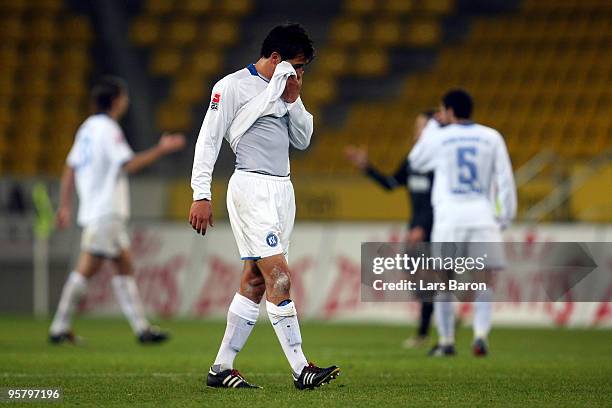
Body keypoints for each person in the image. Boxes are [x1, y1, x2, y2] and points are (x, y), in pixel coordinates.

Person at [189, 24, 340, 390]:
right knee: (280, 276)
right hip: (251, 188)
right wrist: (201, 192)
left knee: (256, 281)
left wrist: (293, 99)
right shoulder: (231, 86)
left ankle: (221, 368)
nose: (299, 74)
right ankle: (301, 367)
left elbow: (303, 140)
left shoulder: (285, 90)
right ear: (275, 58)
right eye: (296, 66)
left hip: (282, 190)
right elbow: (208, 139)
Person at [49, 76, 186, 345]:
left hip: (97, 209)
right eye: (123, 96)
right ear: (115, 100)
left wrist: (65, 205)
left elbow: (70, 167)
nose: (126, 101)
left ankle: (141, 328)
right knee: (87, 268)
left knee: (123, 265)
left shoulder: (86, 128)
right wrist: (161, 149)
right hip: (106, 210)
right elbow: (127, 164)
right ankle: (59, 326)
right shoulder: (108, 129)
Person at [408, 89, 517, 356]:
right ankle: (480, 335)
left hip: (449, 218)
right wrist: (505, 217)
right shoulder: (491, 137)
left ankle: (446, 341)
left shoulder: (441, 137)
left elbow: (416, 160)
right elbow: (505, 179)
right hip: (482, 216)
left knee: (443, 281)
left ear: (449, 112)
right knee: (484, 280)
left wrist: (433, 125)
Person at [344, 111, 435, 348]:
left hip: (435, 226)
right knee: (419, 276)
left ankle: (425, 333)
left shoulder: (439, 161)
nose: (417, 132)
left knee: (427, 278)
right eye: (417, 127)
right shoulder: (413, 159)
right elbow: (391, 184)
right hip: (418, 226)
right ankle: (441, 311)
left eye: (422, 127)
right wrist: (366, 166)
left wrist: (422, 227)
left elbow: (439, 199)